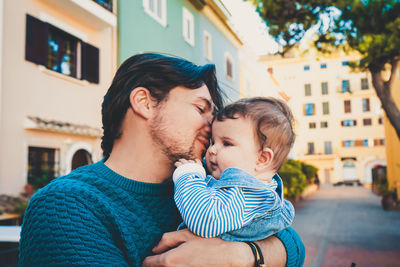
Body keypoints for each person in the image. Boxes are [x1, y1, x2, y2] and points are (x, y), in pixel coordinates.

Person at [19, 53, 305, 266]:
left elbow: (292, 242)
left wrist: (241, 255)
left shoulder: (206, 182)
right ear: (144, 102)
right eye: (201, 108)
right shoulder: (67, 205)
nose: (213, 124)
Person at [173, 97, 295, 241]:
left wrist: (188, 176)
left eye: (226, 143)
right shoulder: (243, 185)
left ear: (262, 159)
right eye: (213, 141)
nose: (212, 149)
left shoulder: (249, 194)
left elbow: (206, 220)